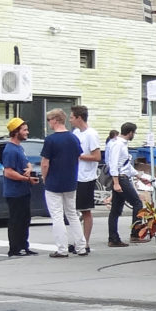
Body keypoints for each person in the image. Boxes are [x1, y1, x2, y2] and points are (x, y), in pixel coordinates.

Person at [37, 109, 85, 257]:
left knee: (57, 215)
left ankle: (62, 249)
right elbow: (78, 157)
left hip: (54, 181)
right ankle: (81, 247)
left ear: (55, 120)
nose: (49, 123)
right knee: (72, 214)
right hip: (70, 180)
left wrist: (45, 178)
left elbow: (45, 163)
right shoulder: (73, 138)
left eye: (49, 120)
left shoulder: (51, 140)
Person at [0, 117, 37, 256]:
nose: (27, 132)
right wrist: (26, 178)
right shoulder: (10, 150)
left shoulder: (19, 148)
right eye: (24, 130)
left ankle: (24, 246)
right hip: (14, 192)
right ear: (16, 132)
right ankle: (14, 248)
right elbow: (8, 172)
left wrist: (29, 168)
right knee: (16, 220)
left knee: (25, 219)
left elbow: (27, 162)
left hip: (23, 190)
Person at [105, 122, 144, 248]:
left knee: (116, 209)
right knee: (137, 203)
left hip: (121, 177)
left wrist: (139, 176)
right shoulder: (118, 145)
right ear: (130, 132)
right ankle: (135, 233)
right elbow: (114, 164)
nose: (134, 135)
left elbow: (125, 165)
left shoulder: (120, 144)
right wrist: (116, 182)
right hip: (121, 179)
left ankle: (113, 238)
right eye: (134, 133)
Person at [71, 105, 100, 255]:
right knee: (73, 210)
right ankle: (78, 239)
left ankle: (85, 242)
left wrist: (80, 156)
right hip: (75, 175)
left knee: (85, 210)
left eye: (72, 117)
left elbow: (97, 157)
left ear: (79, 118)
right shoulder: (76, 133)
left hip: (86, 177)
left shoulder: (91, 134)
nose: (70, 120)